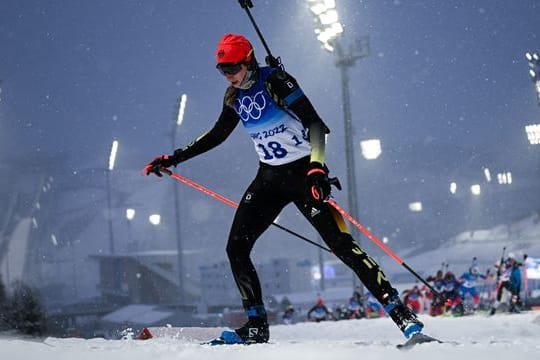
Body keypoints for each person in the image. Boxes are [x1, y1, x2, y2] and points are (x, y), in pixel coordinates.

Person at [144, 33, 425, 344]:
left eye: (233, 68)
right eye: (222, 71)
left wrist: (317, 168)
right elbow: (216, 135)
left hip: (305, 174)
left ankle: (402, 315)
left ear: (248, 60)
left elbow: (316, 125)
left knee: (342, 246)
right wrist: (173, 158)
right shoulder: (233, 97)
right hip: (269, 179)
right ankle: (255, 325)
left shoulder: (276, 81)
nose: (229, 77)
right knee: (236, 248)